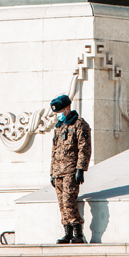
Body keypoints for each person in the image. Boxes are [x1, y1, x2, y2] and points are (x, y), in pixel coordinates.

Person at [49, 94, 91, 244]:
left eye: (60, 111)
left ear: (67, 108)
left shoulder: (79, 124)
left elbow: (84, 148)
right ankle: (67, 232)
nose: (58, 115)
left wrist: (80, 169)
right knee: (62, 203)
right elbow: (54, 151)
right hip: (58, 171)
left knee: (69, 201)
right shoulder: (59, 128)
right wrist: (52, 173)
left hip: (70, 171)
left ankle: (78, 233)